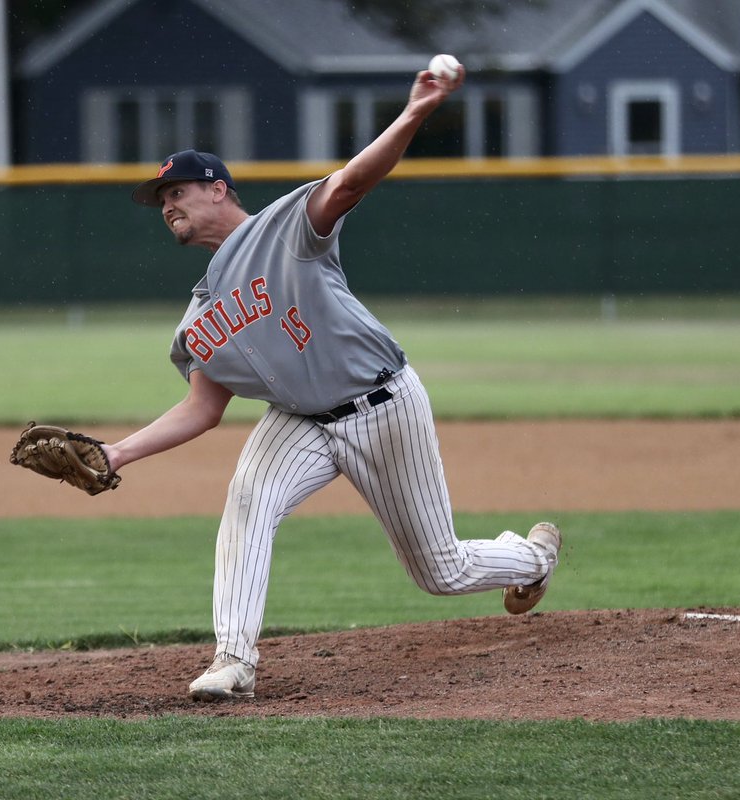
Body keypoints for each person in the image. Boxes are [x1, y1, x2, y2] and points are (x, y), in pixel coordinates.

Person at [103, 64, 561, 700]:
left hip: (384, 403)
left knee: (440, 571)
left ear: (218, 189)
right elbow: (202, 409)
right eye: (161, 201)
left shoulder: (286, 229)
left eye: (177, 191)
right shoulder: (199, 317)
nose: (167, 206)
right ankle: (233, 660)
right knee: (247, 502)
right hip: (298, 421)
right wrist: (115, 452)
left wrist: (414, 114)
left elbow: (351, 182)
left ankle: (533, 558)